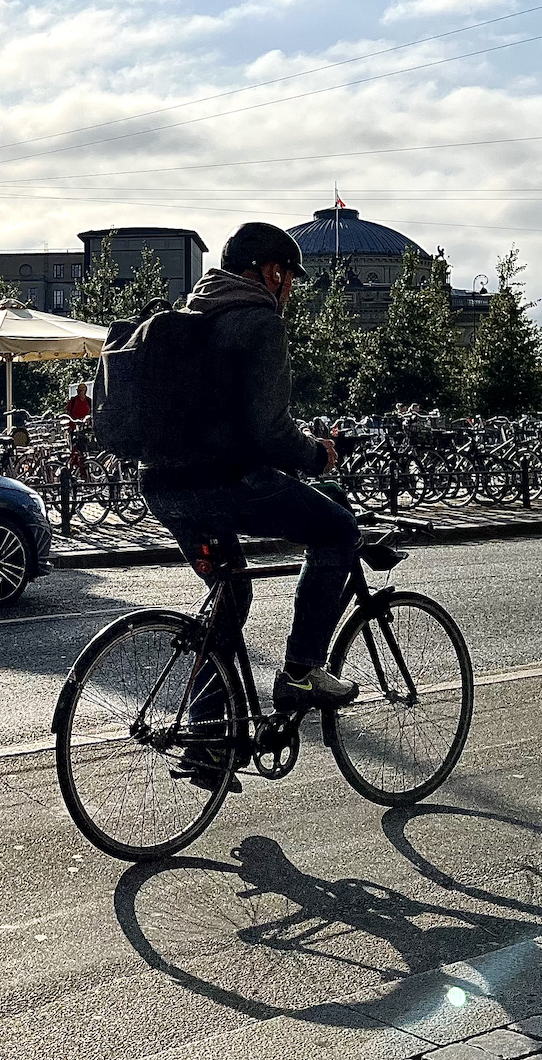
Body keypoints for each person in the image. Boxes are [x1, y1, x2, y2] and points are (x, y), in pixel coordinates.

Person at [136, 220, 362, 738]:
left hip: (165, 488)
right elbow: (268, 430)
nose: (289, 291)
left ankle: (206, 737)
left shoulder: (187, 314)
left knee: (230, 596)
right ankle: (303, 672)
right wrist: (316, 455)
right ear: (271, 271)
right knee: (338, 532)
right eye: (288, 277)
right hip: (227, 483)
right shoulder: (259, 322)